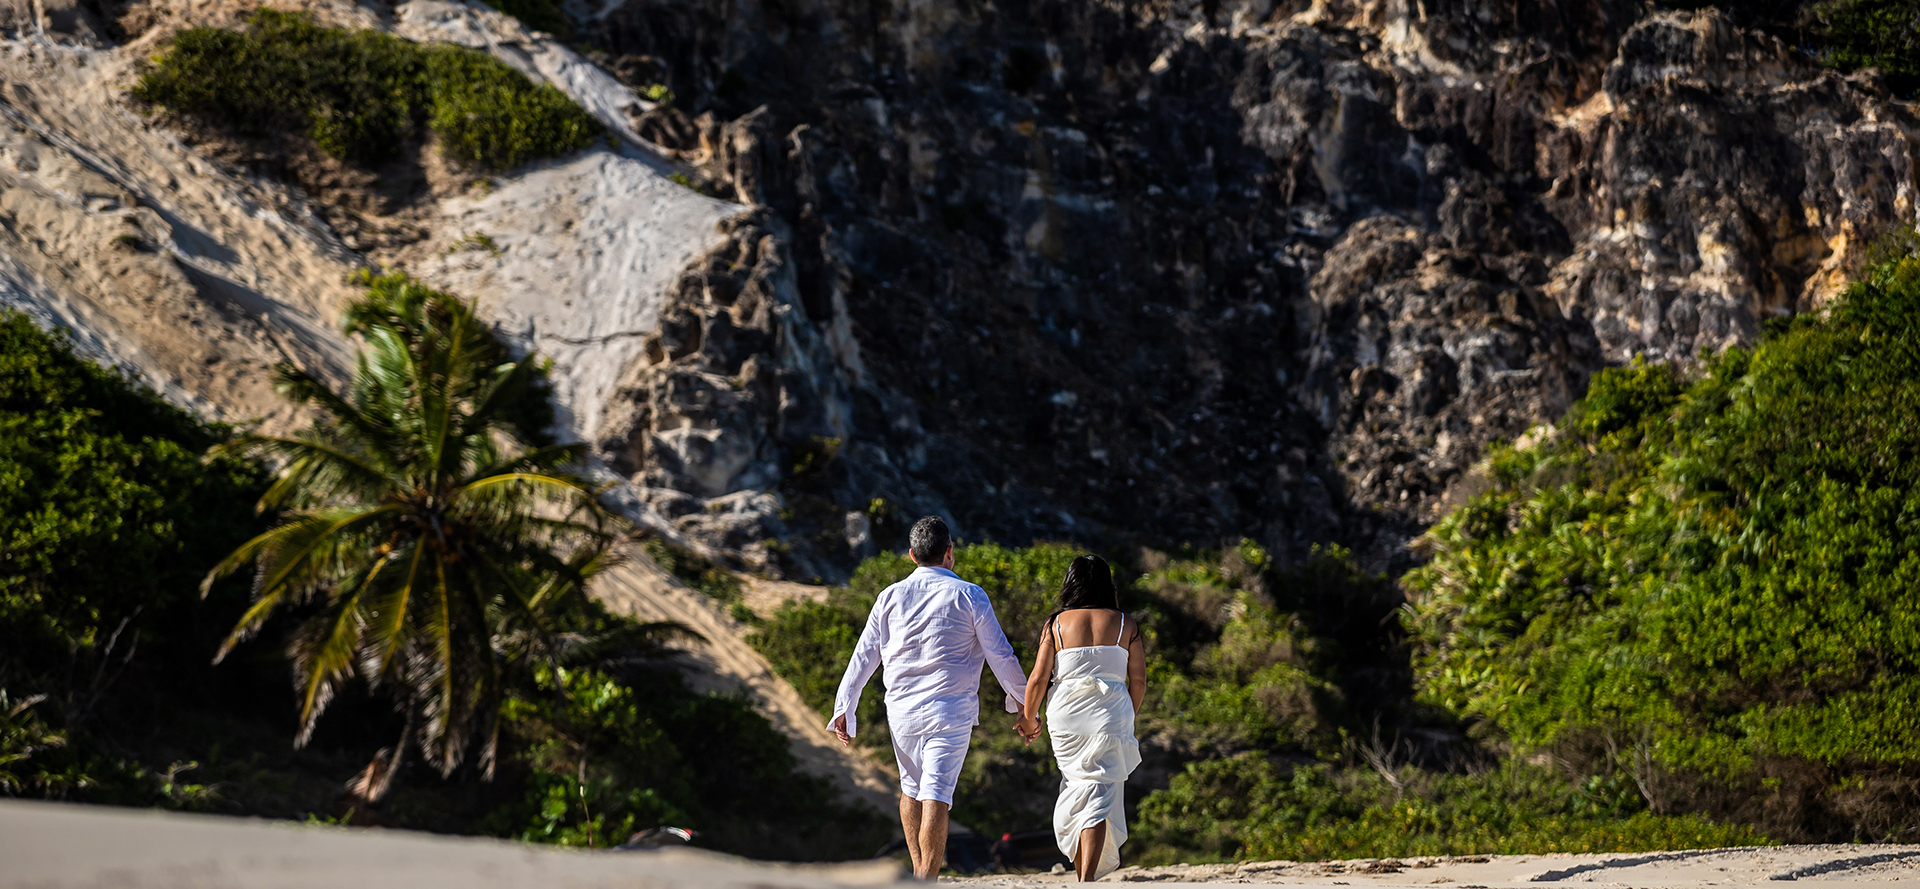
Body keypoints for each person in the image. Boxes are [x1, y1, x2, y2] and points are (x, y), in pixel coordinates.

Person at [829, 516, 1028, 881]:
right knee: (936, 793)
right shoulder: (970, 594)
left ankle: (920, 876)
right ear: (950, 552)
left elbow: (863, 655)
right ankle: (926, 879)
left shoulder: (888, 596)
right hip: (949, 710)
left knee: (911, 788)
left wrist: (845, 707)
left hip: (901, 711)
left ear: (911, 556)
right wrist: (1024, 706)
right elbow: (1002, 656)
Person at [1013, 555, 1144, 882]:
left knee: (1081, 785)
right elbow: (1138, 681)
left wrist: (1029, 719)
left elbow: (1038, 679)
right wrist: (1127, 716)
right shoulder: (1126, 623)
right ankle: (1085, 879)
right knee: (1098, 789)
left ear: (1071, 583)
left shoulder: (1056, 624)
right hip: (1111, 712)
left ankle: (1084, 876)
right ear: (1107, 583)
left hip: (1067, 713)